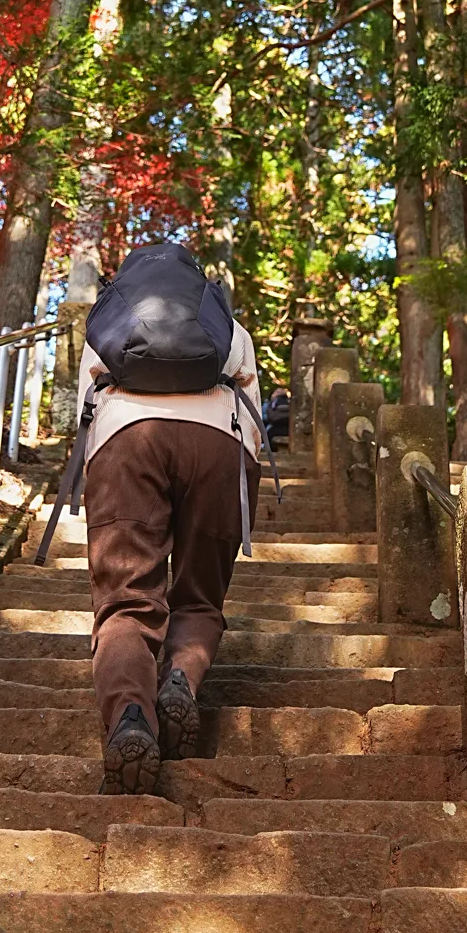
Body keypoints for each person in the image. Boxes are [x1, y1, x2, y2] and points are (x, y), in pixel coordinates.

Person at [74, 241, 265, 796]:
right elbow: (253, 417)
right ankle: (180, 679)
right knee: (200, 596)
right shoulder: (226, 324)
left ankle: (132, 714)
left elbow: (86, 408)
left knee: (127, 601)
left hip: (126, 444)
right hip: (218, 448)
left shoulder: (109, 320)